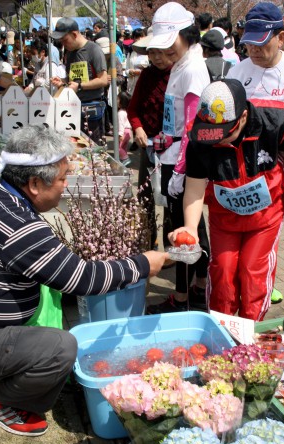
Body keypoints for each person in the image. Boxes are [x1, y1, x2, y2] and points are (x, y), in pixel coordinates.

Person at [0, 125, 167, 437]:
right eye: (63, 178)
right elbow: (84, 279)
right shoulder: (21, 229)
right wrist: (143, 264)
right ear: (35, 183)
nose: (67, 186)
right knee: (61, 347)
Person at [173, 79, 284, 320]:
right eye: (211, 136)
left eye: (226, 133)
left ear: (244, 117)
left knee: (252, 271)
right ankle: (222, 328)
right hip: (224, 218)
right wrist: (191, 228)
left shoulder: (274, 118)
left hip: (265, 217)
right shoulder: (199, 138)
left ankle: (250, 330)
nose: (218, 141)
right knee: (223, 272)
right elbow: (194, 188)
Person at [227, 1, 284, 304]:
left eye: (261, 43)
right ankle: (248, 280)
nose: (254, 50)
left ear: (280, 36)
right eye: (249, 42)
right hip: (249, 163)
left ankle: (264, 280)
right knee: (249, 225)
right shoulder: (237, 72)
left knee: (274, 225)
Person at [145, 2, 210, 314]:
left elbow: (193, 126)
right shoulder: (180, 65)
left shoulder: (193, 69)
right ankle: (196, 292)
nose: (163, 53)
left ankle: (188, 297)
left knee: (186, 235)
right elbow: (175, 123)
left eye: (169, 44)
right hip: (173, 158)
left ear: (186, 35)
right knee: (191, 232)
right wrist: (162, 139)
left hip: (185, 165)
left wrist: (181, 170)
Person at [127, 43, 173, 250]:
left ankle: (170, 242)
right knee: (146, 196)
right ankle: (149, 240)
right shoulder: (146, 75)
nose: (157, 57)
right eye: (152, 52)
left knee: (172, 196)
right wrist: (138, 128)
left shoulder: (179, 73)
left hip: (174, 148)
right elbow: (133, 108)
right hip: (149, 145)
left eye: (160, 52)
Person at [50, 17, 108, 144]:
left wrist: (80, 86)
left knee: (93, 148)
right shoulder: (70, 53)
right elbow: (73, 79)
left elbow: (103, 80)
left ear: (75, 34)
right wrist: (62, 82)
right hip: (72, 108)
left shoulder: (94, 50)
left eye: (65, 40)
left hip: (91, 109)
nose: (63, 44)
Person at [118, 91, 132, 166]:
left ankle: (126, 159)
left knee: (119, 148)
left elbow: (121, 124)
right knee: (124, 147)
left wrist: (120, 134)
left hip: (123, 131)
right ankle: (123, 158)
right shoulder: (127, 112)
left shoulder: (120, 113)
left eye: (118, 99)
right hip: (128, 131)